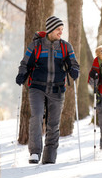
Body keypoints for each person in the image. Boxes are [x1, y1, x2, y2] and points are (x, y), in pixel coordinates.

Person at [16, 16, 79, 164]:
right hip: (37, 87)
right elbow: (25, 63)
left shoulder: (65, 47)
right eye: (58, 29)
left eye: (62, 30)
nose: (60, 32)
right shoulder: (35, 46)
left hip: (57, 89)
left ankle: (49, 158)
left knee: (53, 124)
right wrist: (21, 74)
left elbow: (74, 64)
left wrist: (74, 70)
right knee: (37, 116)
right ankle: (35, 152)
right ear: (50, 29)